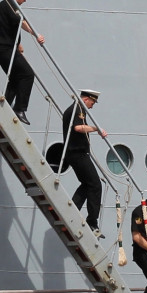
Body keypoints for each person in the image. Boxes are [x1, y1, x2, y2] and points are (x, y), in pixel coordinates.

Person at [0, 0, 45, 125]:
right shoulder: (9, 5)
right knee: (27, 74)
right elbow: (21, 22)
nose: (25, 0)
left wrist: (18, 43)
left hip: (5, 47)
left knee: (15, 78)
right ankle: (20, 108)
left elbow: (9, 27)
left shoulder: (8, 5)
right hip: (4, 49)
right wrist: (36, 34)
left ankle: (6, 105)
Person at [62, 90, 107, 237]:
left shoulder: (77, 109)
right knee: (95, 185)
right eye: (92, 103)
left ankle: (72, 211)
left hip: (75, 153)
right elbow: (78, 127)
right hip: (77, 153)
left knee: (87, 184)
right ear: (86, 99)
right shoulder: (78, 108)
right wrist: (97, 129)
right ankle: (92, 222)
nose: (92, 106)